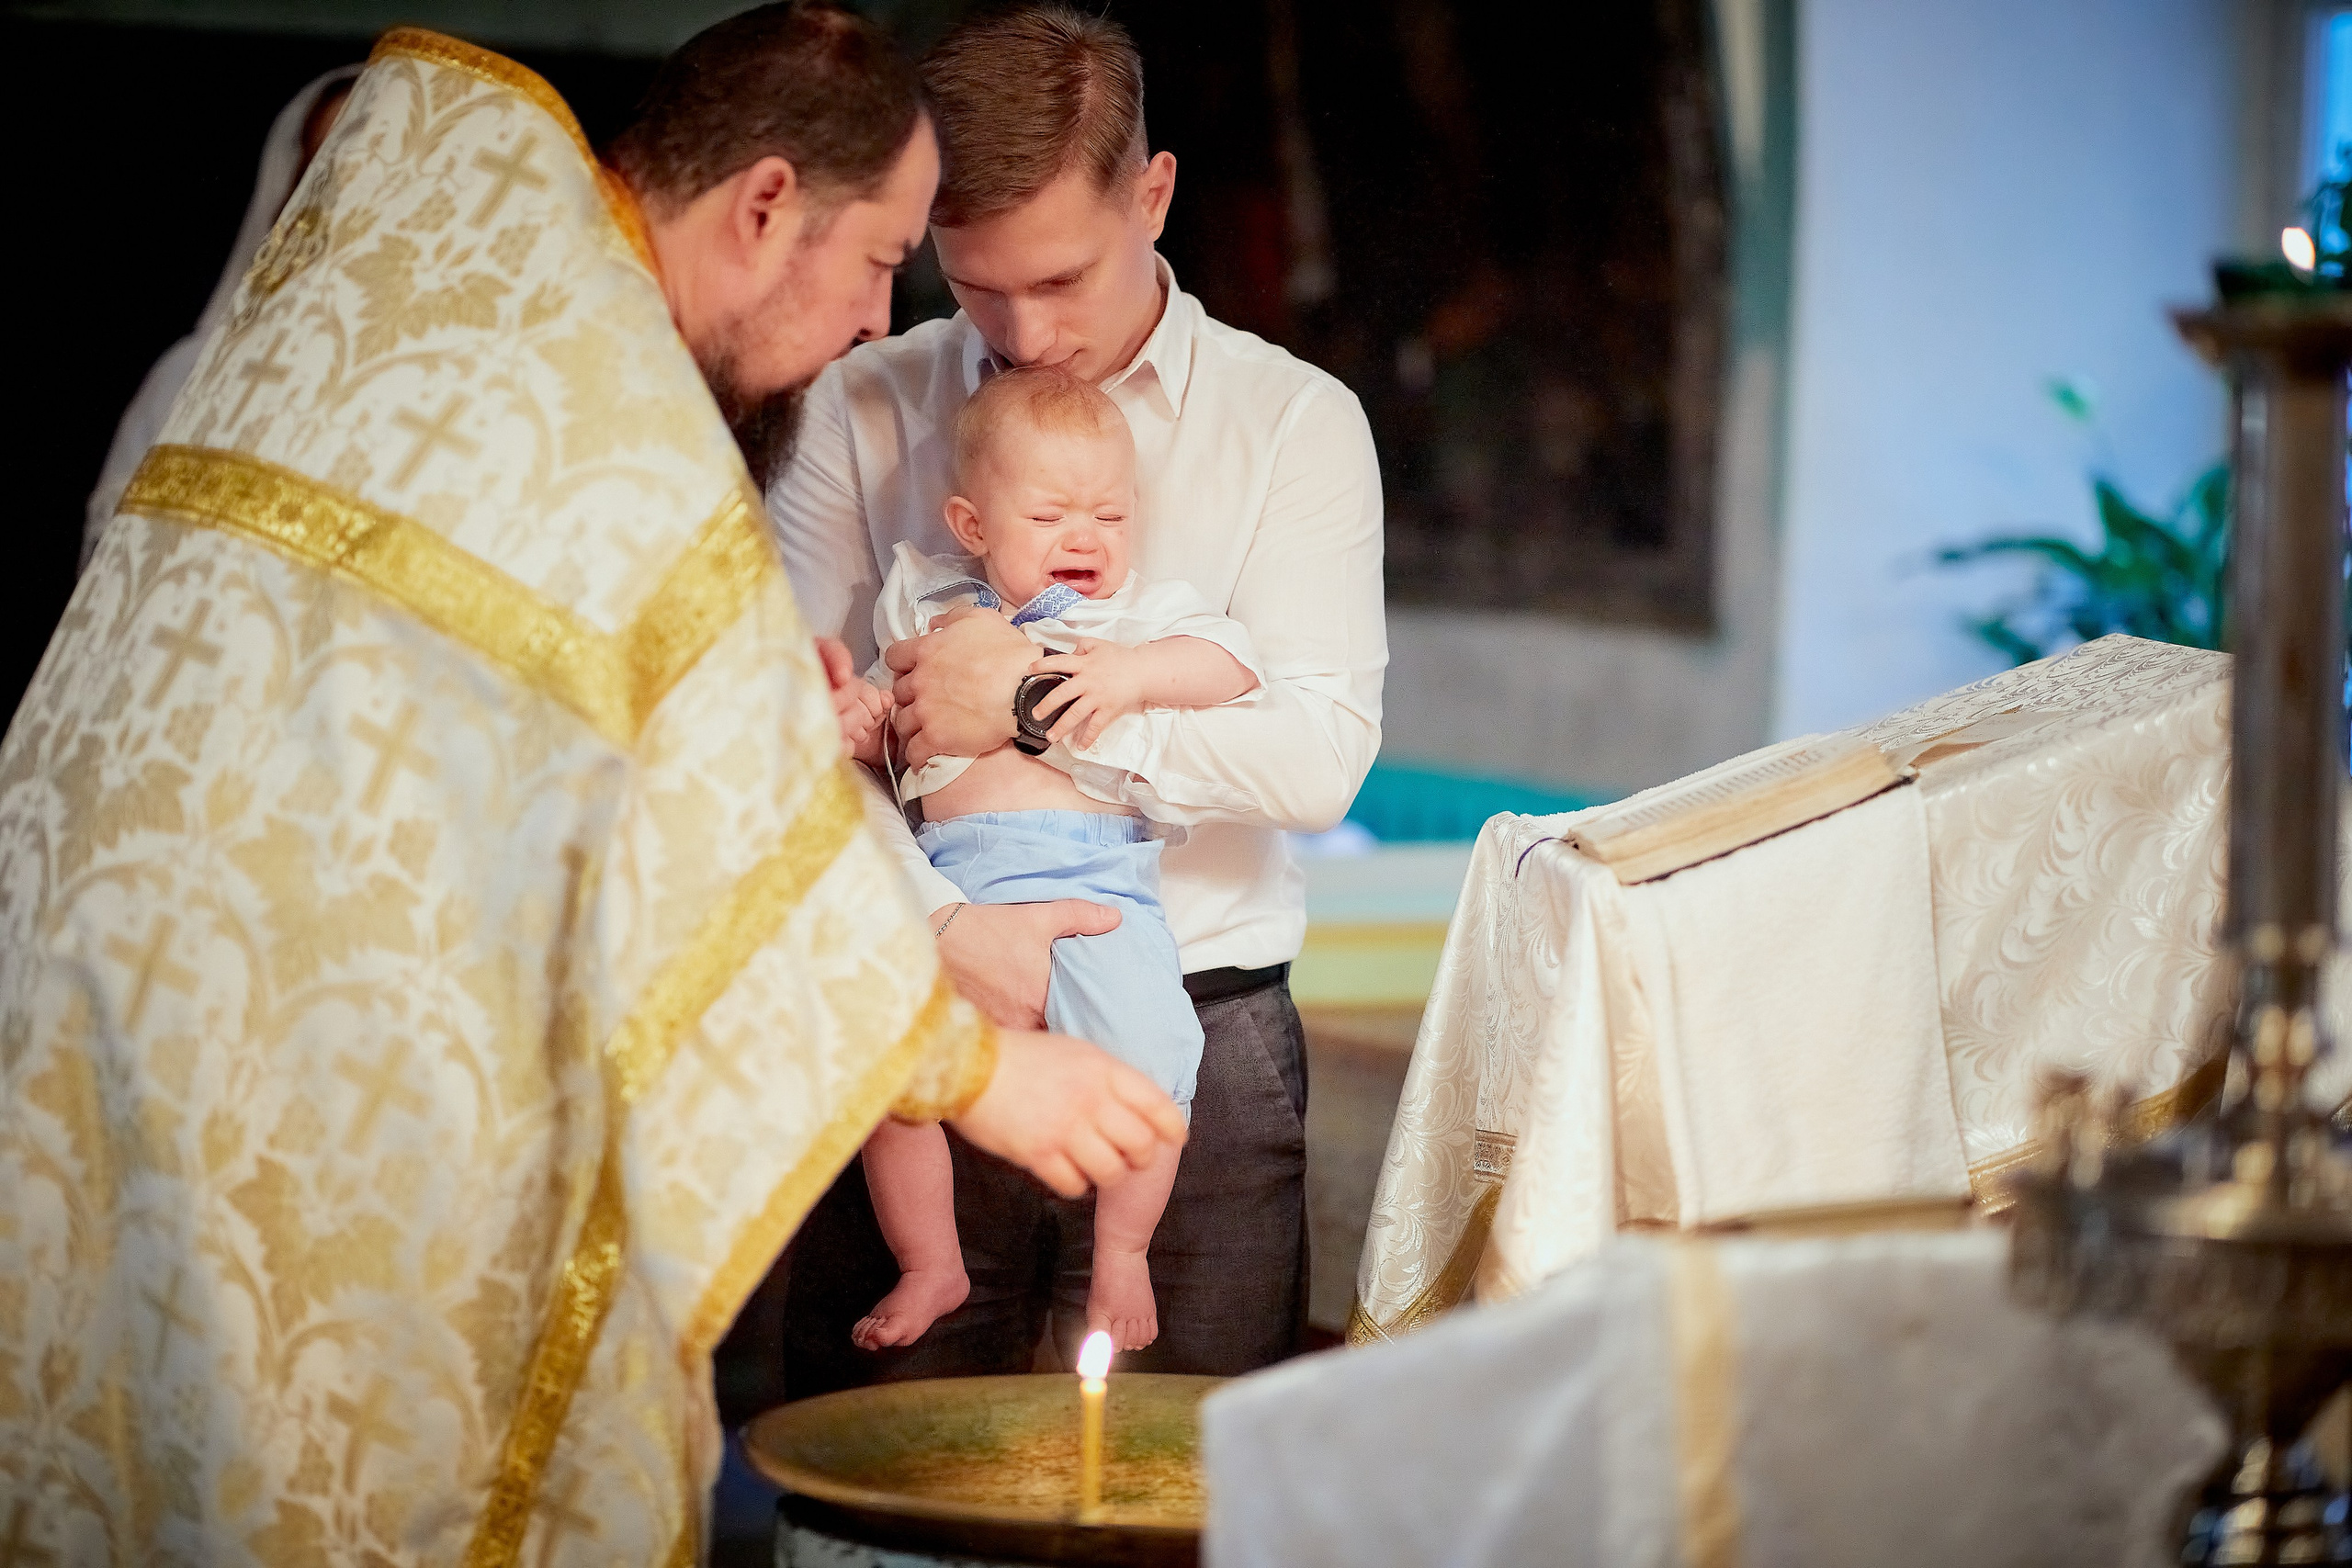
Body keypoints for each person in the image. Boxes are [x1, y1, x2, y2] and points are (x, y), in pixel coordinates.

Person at [0, 8, 1183, 1565]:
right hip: (309, 1062)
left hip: (91, 1019)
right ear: (766, 207)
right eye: (878, 259)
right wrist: (980, 1075)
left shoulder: (420, 316)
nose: (865, 322)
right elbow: (714, 812)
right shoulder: (611, 412)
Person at [770, 5, 1385, 1389]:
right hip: (917, 997)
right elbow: (779, 742)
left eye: (1060, 278)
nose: (1023, 332)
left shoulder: (1292, 425)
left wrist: (1029, 705)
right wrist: (938, 928)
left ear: (1151, 192)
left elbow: (1319, 752)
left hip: (1196, 1031)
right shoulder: (856, 408)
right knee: (882, 1479)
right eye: (977, 285)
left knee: (1179, 1493)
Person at [840, 366, 1262, 1354]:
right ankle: (930, 1262)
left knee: (1156, 1070)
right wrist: (864, 724)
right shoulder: (926, 611)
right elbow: (887, 722)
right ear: (973, 523)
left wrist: (1135, 673)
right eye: (1052, 515)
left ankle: (1122, 1253)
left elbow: (1235, 666)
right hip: (945, 885)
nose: (1086, 539)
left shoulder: (1132, 622)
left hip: (1094, 890)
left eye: (1109, 516)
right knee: (890, 1078)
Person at [81, 65, 358, 572]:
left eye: (357, 171)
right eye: (316, 169)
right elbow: (110, 563)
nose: (327, 205)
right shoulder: (189, 373)